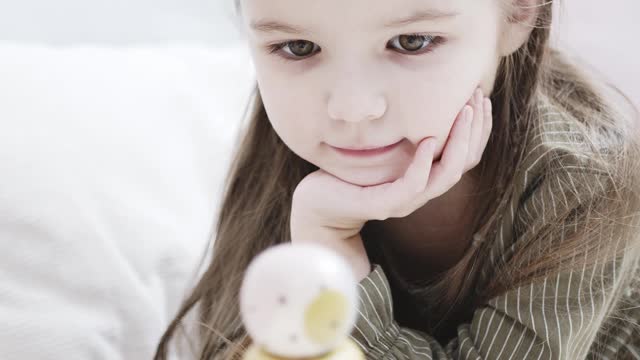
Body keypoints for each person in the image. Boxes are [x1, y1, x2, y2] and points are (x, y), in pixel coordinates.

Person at [155, 0, 640, 358]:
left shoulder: (584, 181)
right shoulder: (286, 147)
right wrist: (317, 236)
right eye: (298, 47)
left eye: (411, 42)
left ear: (518, 14)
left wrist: (330, 251)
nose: (351, 109)